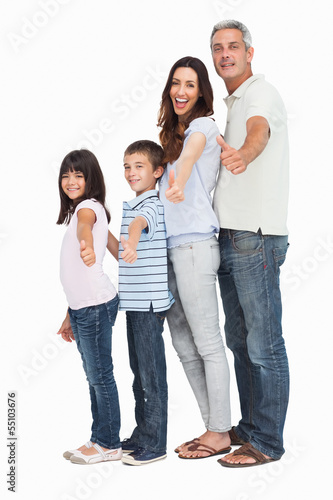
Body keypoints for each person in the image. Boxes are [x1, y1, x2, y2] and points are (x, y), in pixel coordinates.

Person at [210, 20, 290, 468]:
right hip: (232, 236)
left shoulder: (259, 95)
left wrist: (244, 152)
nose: (225, 54)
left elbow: (259, 132)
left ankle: (268, 442)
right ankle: (250, 427)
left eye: (233, 47)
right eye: (218, 48)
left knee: (263, 344)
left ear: (249, 52)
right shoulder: (233, 101)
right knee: (239, 339)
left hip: (254, 238)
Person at [158, 56, 232, 459]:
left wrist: (179, 181)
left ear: (202, 91)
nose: (181, 92)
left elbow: (188, 161)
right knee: (184, 346)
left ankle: (220, 430)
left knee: (207, 343)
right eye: (175, 83)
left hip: (195, 247)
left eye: (189, 84)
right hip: (170, 249)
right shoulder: (173, 136)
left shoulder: (203, 127)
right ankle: (213, 427)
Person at [56, 149, 122, 464]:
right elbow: (116, 249)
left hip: (96, 305)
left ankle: (108, 443)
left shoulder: (87, 208)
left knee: (100, 375)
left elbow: (86, 226)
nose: (71, 181)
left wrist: (85, 244)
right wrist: (69, 314)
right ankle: (99, 439)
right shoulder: (83, 211)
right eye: (66, 175)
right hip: (83, 307)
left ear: (90, 179)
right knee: (93, 374)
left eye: (78, 175)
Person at [118, 140, 175, 466]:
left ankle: (155, 443)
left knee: (152, 377)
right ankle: (142, 434)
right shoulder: (135, 204)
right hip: (135, 305)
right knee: (139, 373)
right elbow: (123, 250)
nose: (130, 172)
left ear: (157, 172)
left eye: (138, 166)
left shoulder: (151, 205)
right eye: (127, 166)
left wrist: (133, 242)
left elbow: (141, 226)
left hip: (149, 305)